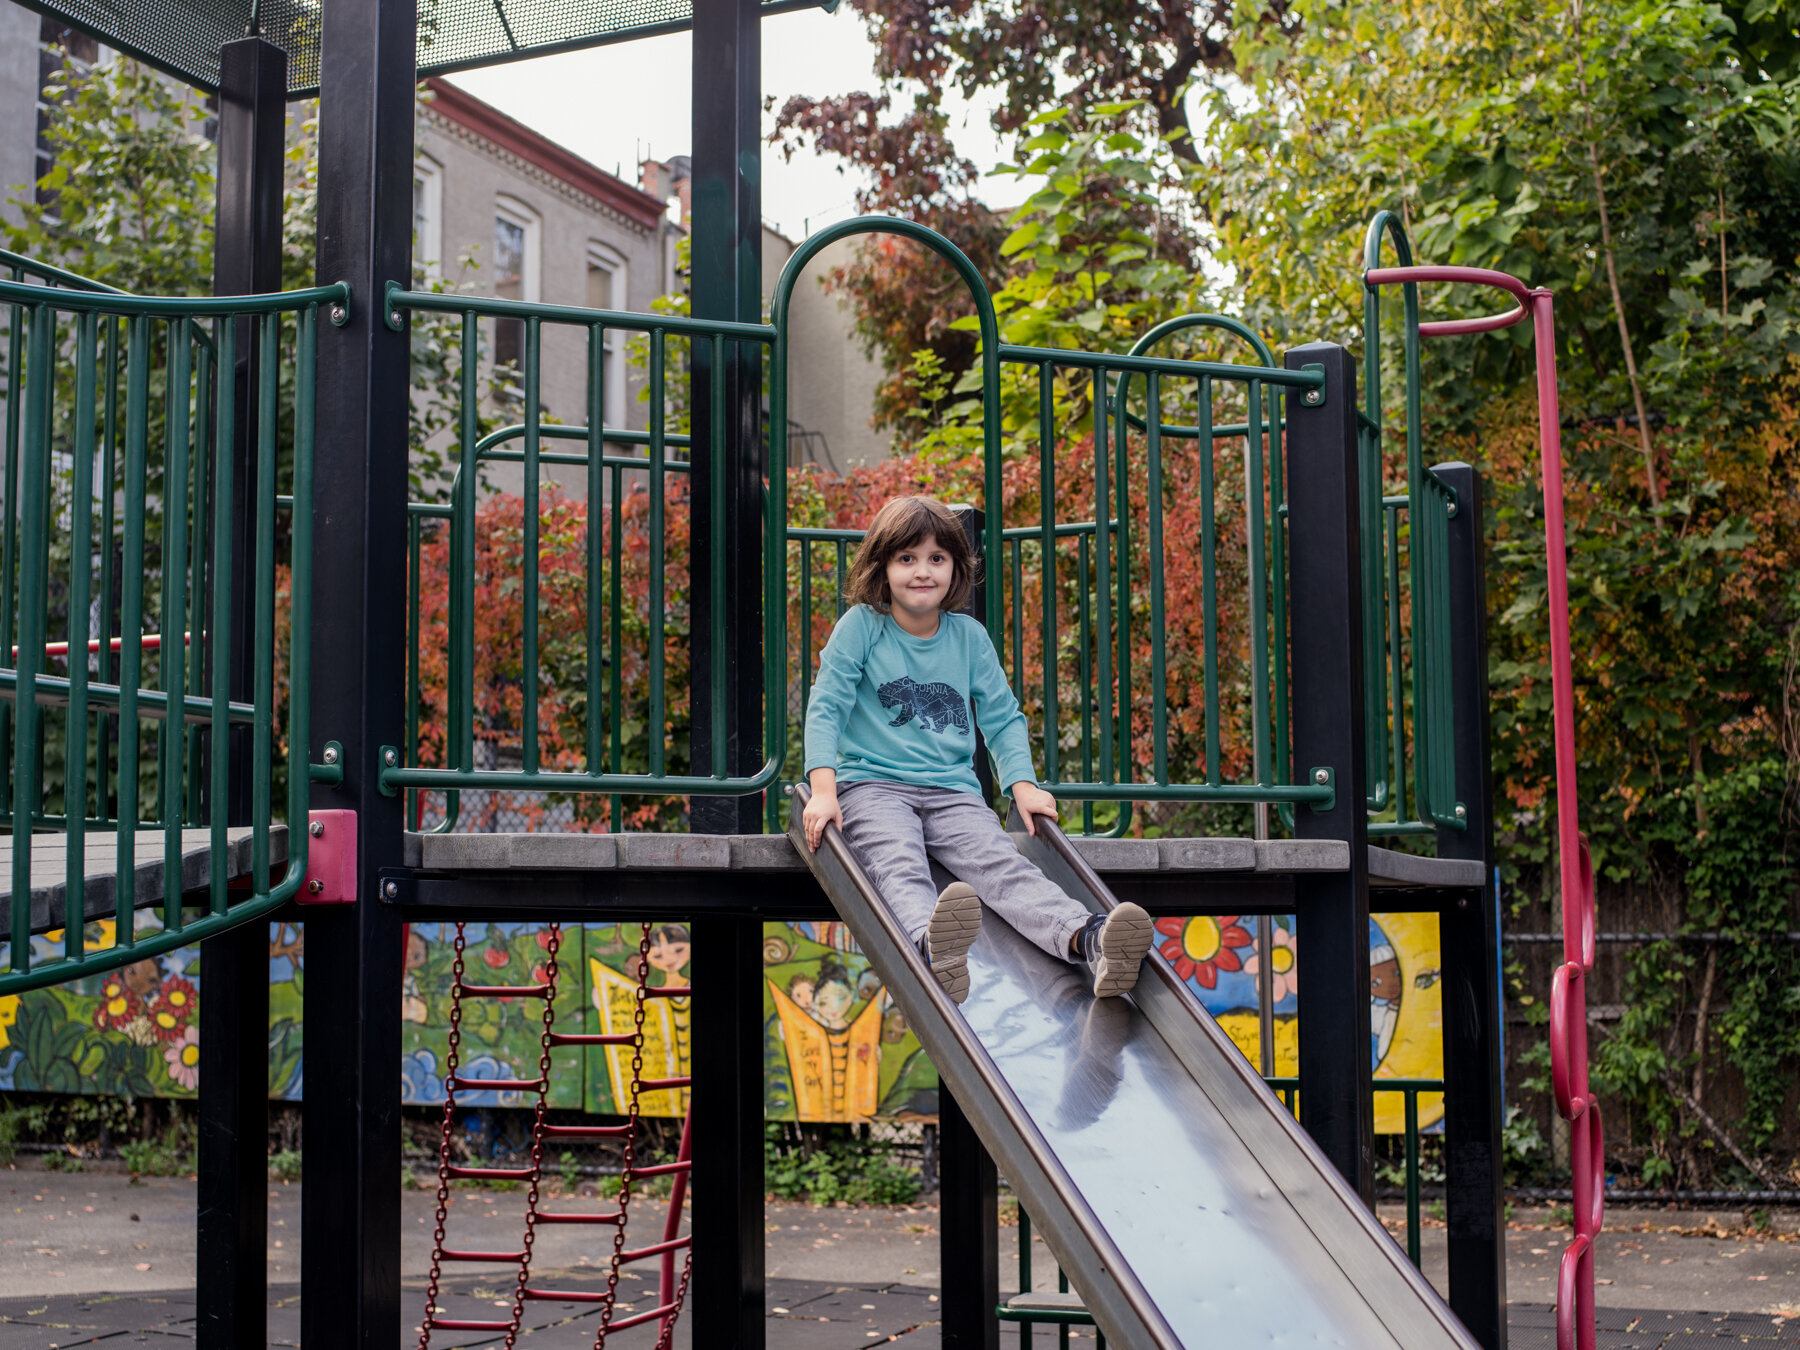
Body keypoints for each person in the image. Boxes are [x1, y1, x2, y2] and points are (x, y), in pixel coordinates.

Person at [800, 495, 1151, 1003]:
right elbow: (826, 706)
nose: (923, 572)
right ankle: (929, 946)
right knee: (897, 861)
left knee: (1000, 866)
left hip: (952, 792)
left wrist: (1023, 787)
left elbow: (1001, 715)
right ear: (882, 567)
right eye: (907, 559)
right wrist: (823, 791)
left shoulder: (968, 637)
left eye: (936, 559)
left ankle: (1088, 938)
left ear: (955, 569)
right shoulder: (862, 626)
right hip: (873, 787)